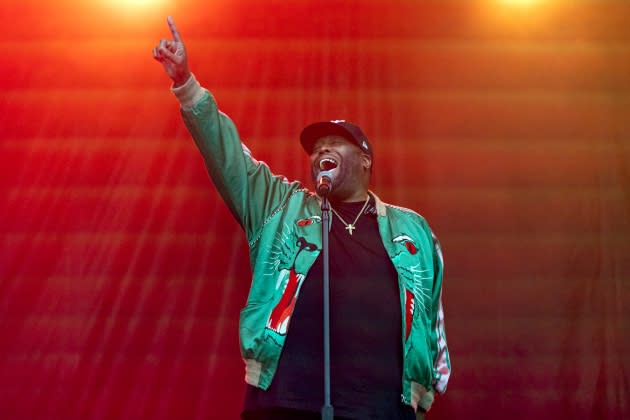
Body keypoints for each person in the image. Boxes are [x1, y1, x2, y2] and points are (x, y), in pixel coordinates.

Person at [153, 16, 450, 420]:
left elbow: (432, 319)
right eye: (315, 148)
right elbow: (230, 159)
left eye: (335, 143)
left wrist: (423, 396)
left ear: (365, 160)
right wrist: (187, 85)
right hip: (286, 402)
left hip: (382, 409)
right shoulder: (282, 206)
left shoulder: (411, 229)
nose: (320, 151)